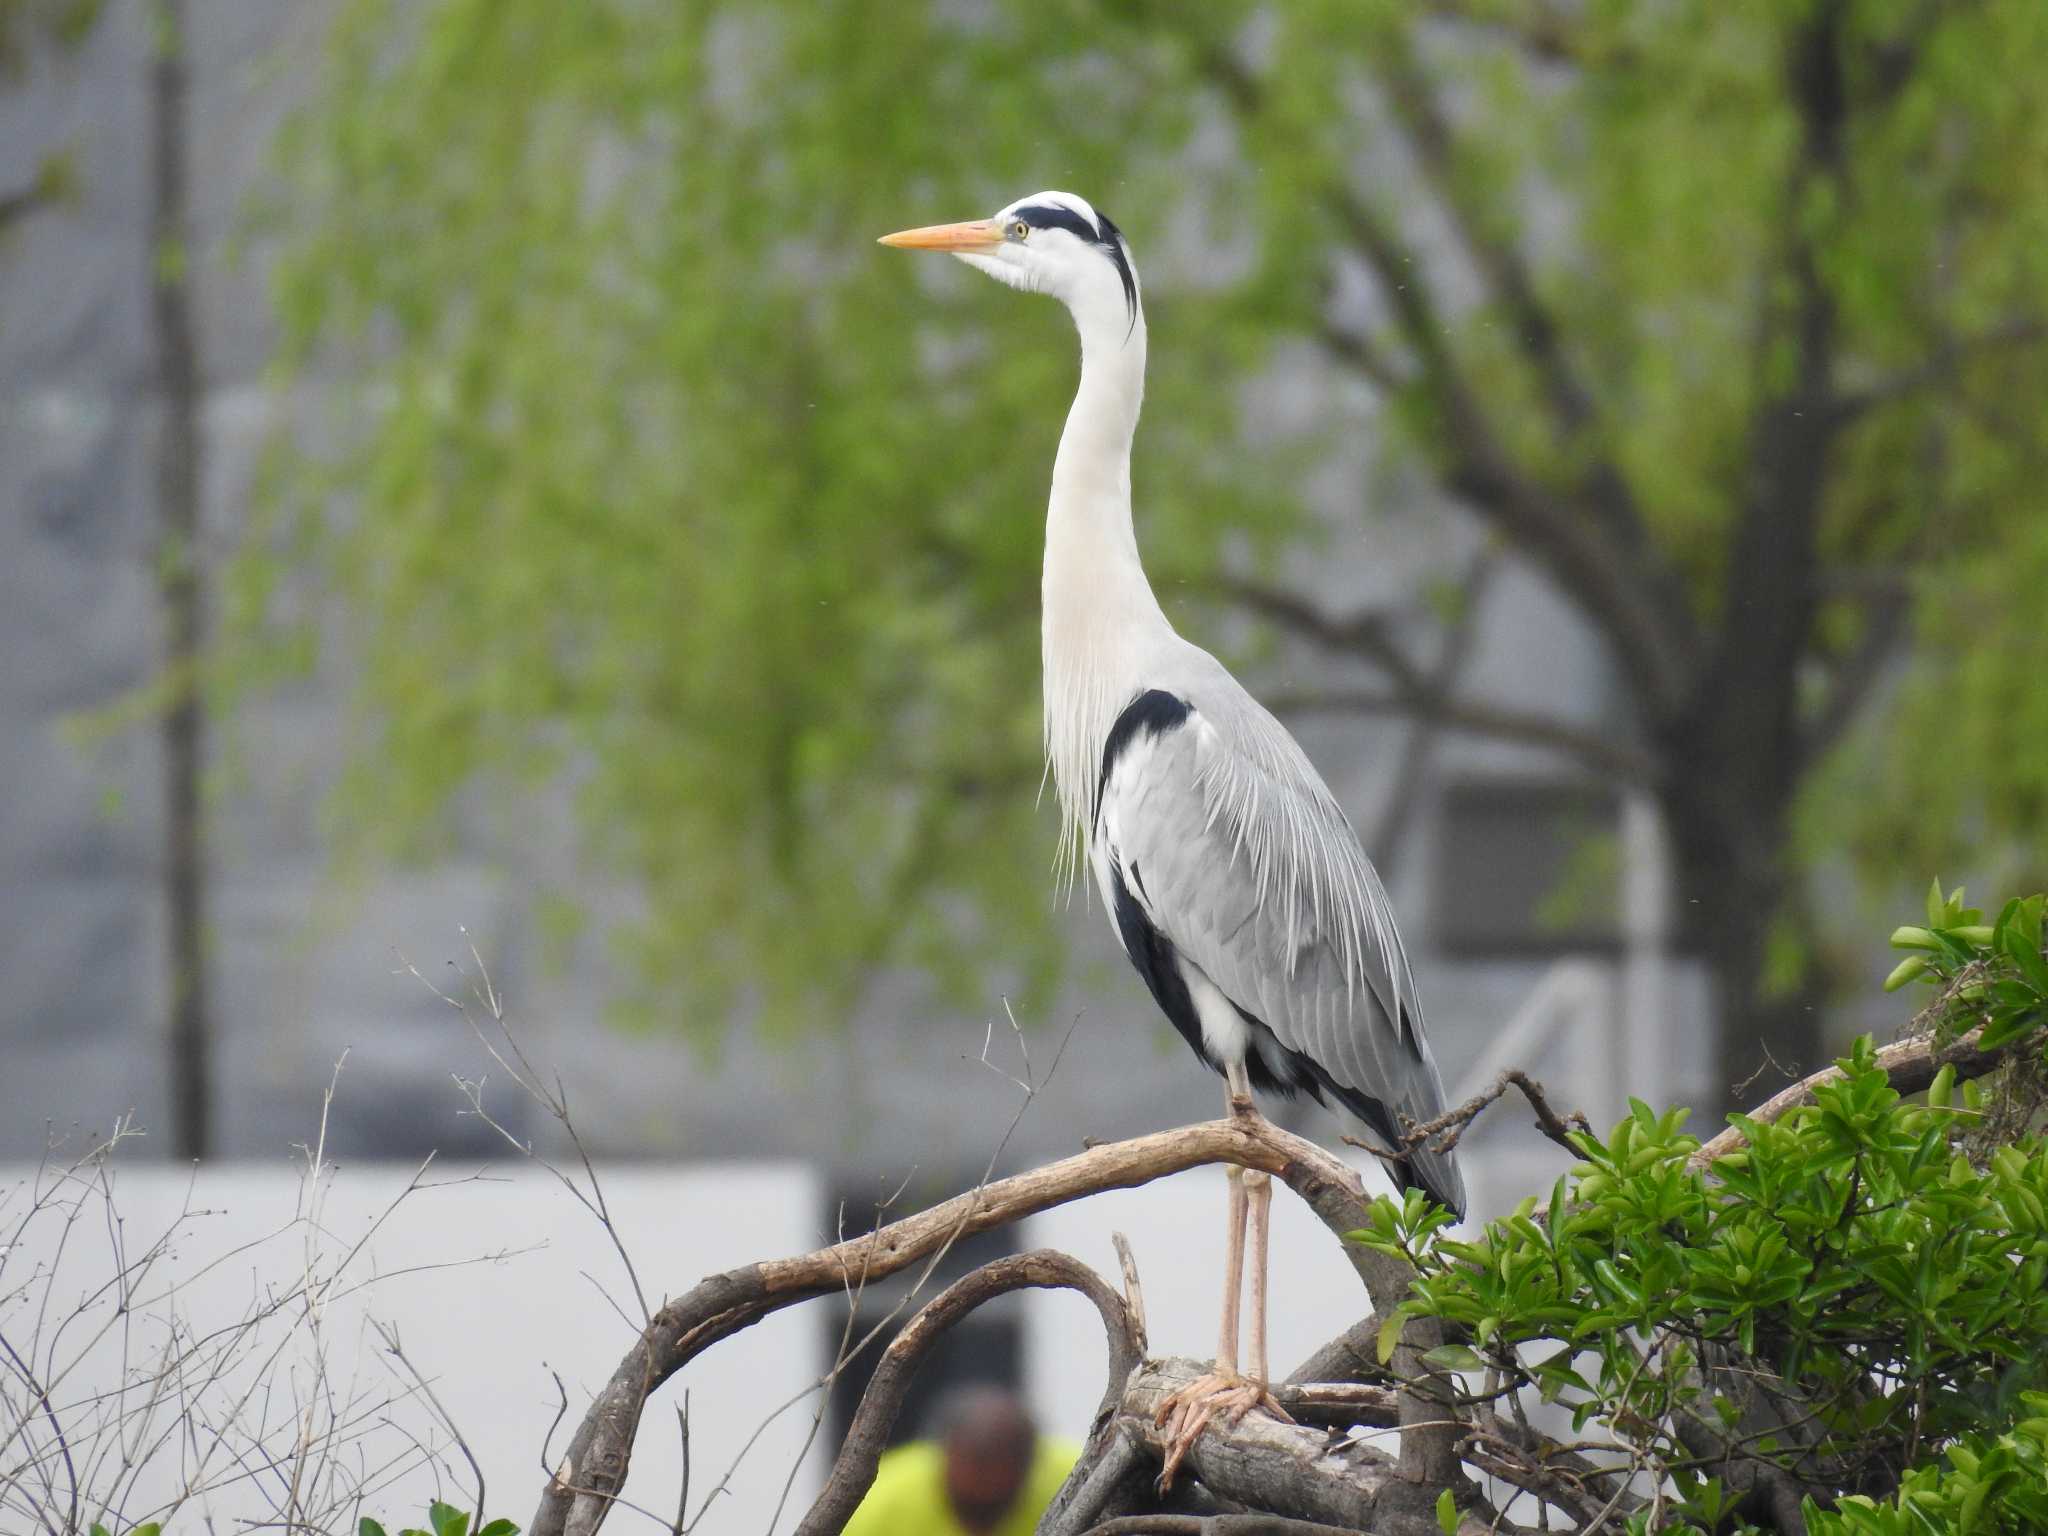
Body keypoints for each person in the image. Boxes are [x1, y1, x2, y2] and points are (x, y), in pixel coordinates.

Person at [842, 1384, 1076, 1536]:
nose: (987, 1490)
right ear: (943, 1456)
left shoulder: (1078, 1479)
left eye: (997, 1506)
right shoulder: (879, 1499)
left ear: (1032, 1464)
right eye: (971, 1508)